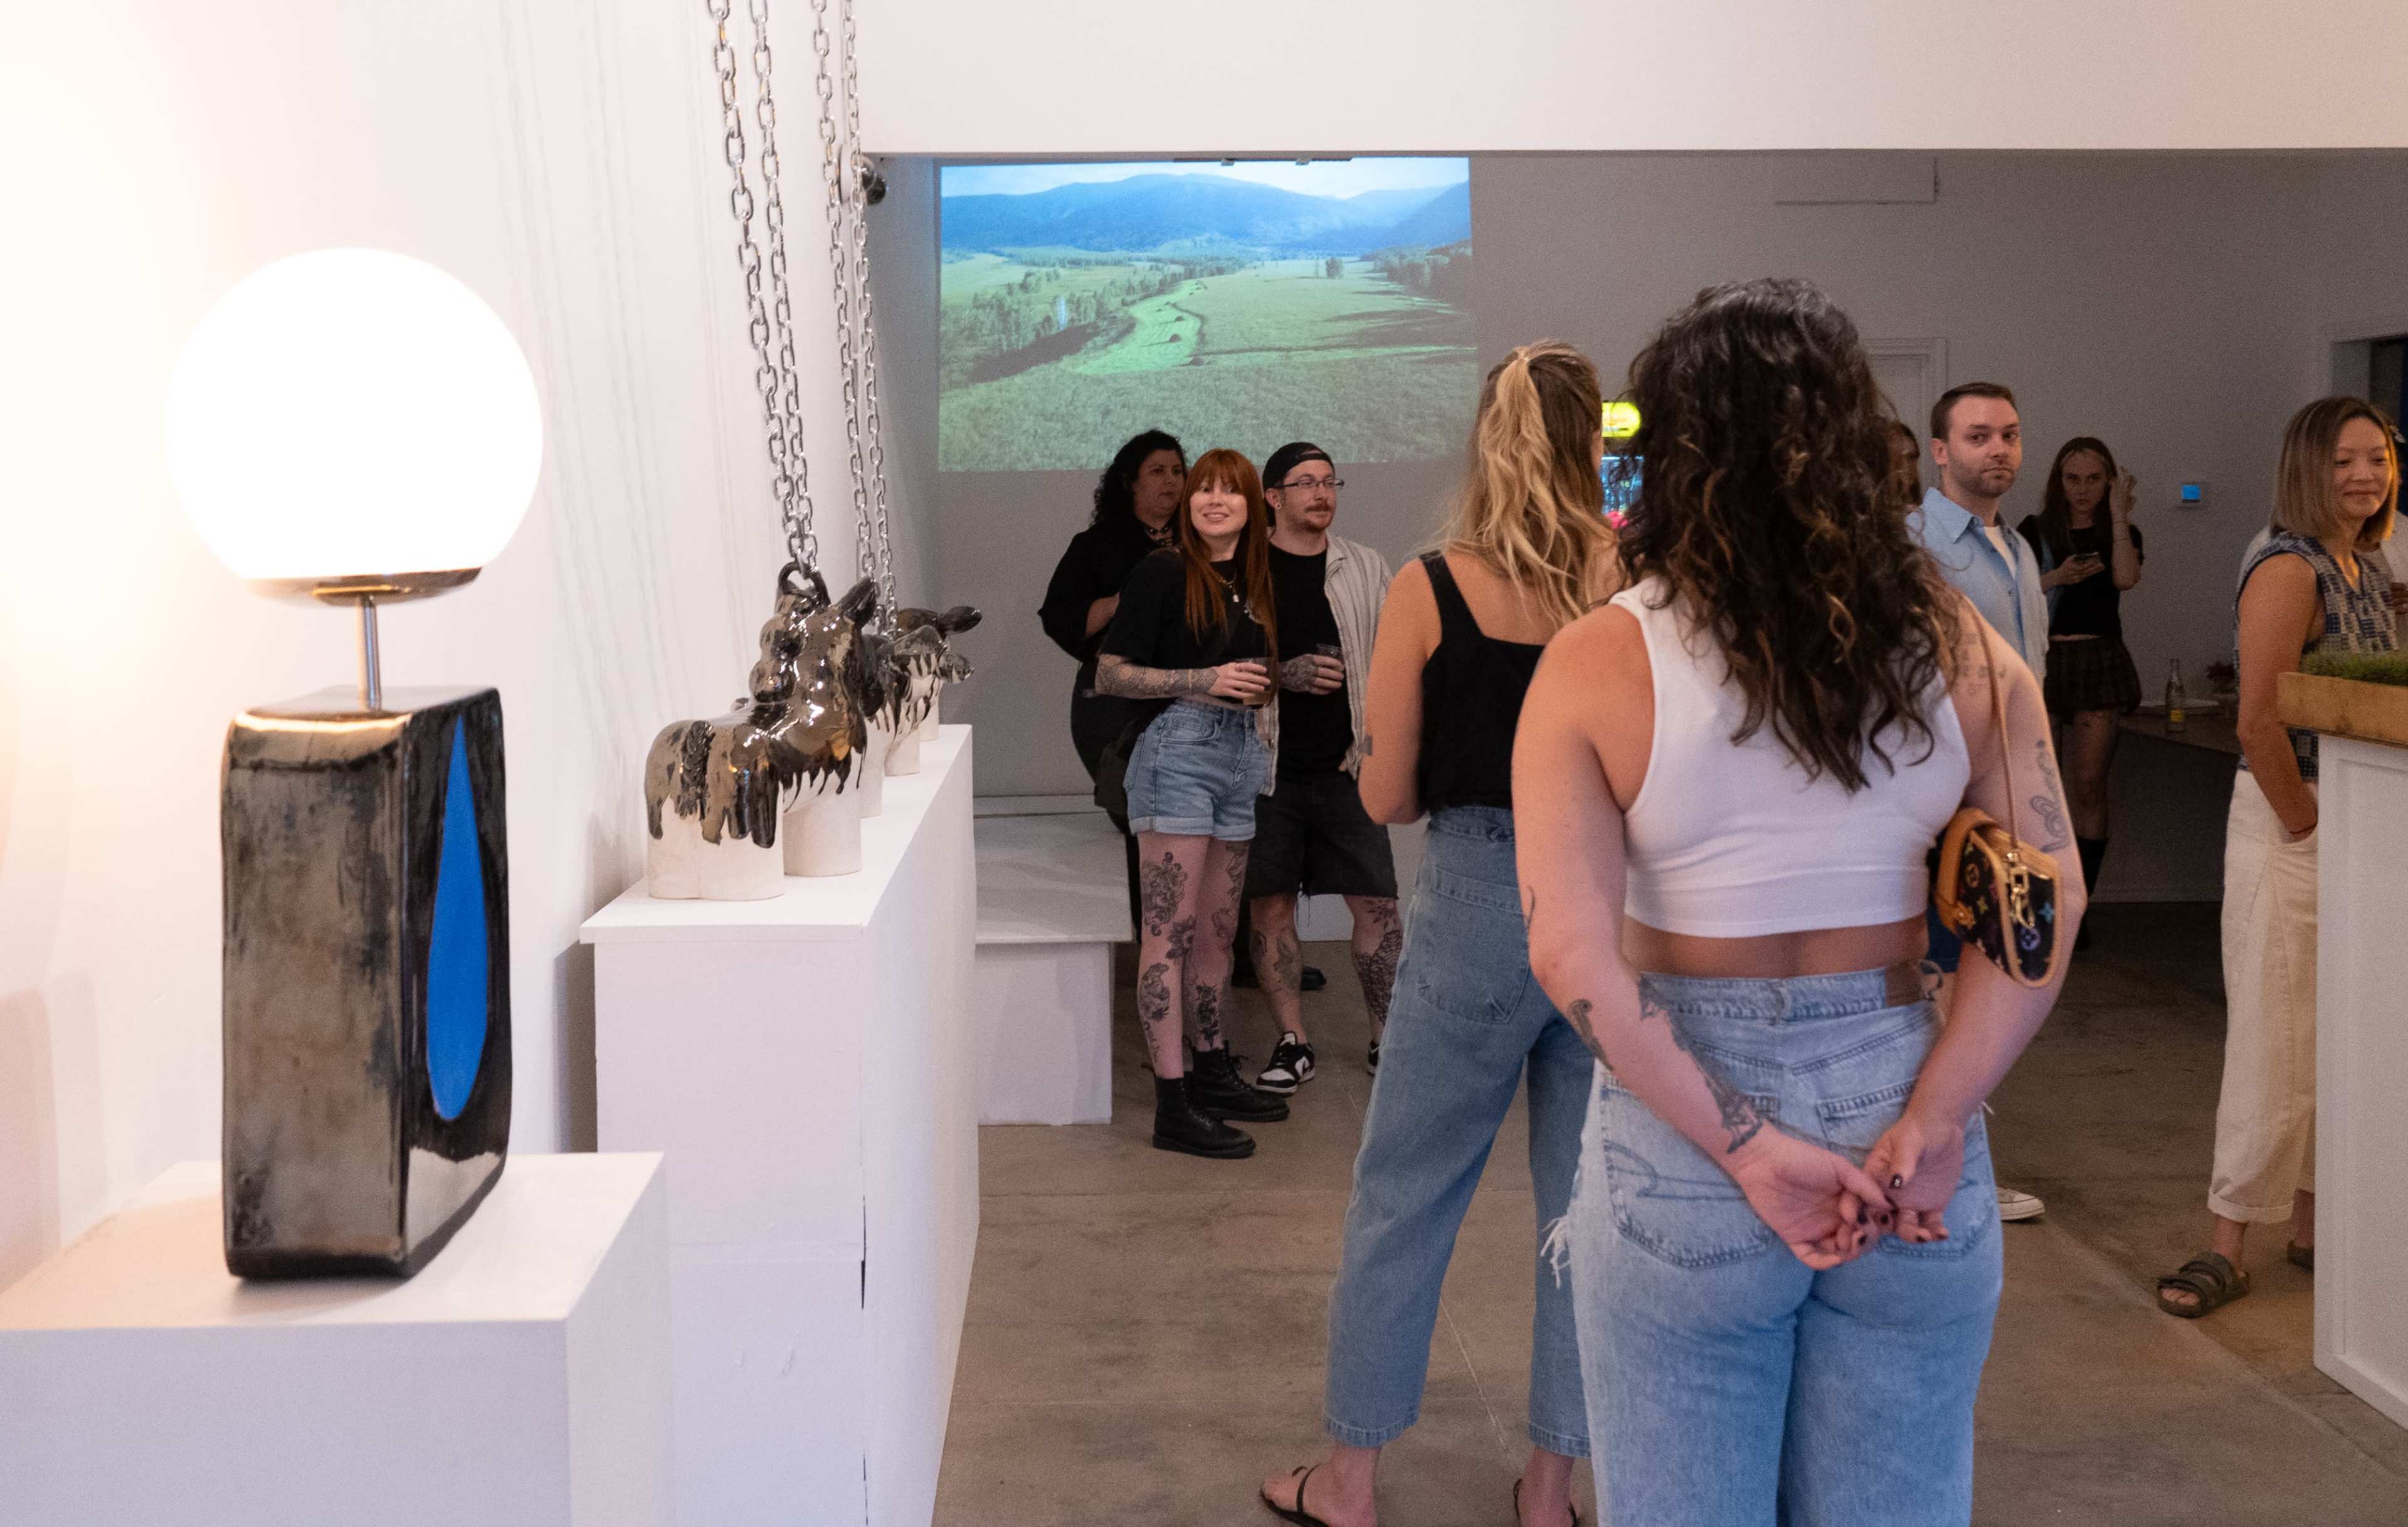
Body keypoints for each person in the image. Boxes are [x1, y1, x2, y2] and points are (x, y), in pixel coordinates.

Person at [1518, 278, 2079, 1527]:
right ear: (1850, 432)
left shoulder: (1600, 654)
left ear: (1666, 447)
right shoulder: (1965, 642)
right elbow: (2044, 912)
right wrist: (1938, 1118)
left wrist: (1750, 1147)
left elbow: (1570, 951)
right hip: (1905, 1105)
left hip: (1682, 1117)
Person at [1260, 342, 1619, 1527]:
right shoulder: (1625, 584)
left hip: (1477, 893)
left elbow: (1388, 797)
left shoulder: (1432, 584)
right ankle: (1552, 1488)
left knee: (1404, 1191)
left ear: (1486, 438)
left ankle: (1351, 1482)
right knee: (1582, 1206)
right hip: (1606, 908)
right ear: (1590, 442)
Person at [2157, 396, 2399, 1318]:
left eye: (2376, 458)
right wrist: (2309, 828)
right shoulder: (2290, 564)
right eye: (2343, 460)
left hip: (2357, 826)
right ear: (2306, 466)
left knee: (2339, 1034)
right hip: (2293, 820)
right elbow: (2258, 718)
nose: (2363, 476)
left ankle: (2310, 1223)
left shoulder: (2364, 562)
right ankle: (2227, 1241)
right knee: (2274, 1038)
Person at [1095, 448, 1292, 1156]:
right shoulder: (1162, 570)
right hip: (1176, 753)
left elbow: (1256, 674)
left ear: (1251, 505)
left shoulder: (1252, 581)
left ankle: (1211, 1068)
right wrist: (1201, 679)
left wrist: (1270, 680)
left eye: (1228, 490)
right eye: (1202, 488)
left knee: (1216, 934)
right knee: (1169, 936)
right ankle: (1172, 1102)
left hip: (1241, 752)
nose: (1213, 499)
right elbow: (1110, 672)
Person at [1908, 381, 2051, 1225]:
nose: (1996, 449)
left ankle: (1953, 1160)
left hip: (2009, 805)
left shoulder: (2018, 551)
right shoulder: (1913, 547)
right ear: (1939, 450)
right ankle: (1947, 1169)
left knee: (1992, 985)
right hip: (1943, 806)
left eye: (2009, 433)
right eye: (1976, 436)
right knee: (1943, 991)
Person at [1244, 441, 1400, 1092]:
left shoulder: (1365, 567)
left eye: (1329, 480)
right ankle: (1292, 1040)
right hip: (1267, 768)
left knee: (1379, 906)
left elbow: (1398, 661)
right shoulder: (1244, 573)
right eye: (1304, 482)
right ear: (1273, 497)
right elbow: (1221, 666)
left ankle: (1387, 1041)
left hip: (1348, 769)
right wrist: (1286, 674)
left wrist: (1379, 745)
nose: (1321, 492)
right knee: (1271, 909)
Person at [1040, 431, 1185, 932]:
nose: (1171, 481)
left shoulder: (1203, 539)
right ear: (1130, 483)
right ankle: (1154, 943)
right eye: (1157, 471)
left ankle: (1234, 957)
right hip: (1117, 706)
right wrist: (1130, 598)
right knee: (1144, 821)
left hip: (1193, 700)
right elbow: (1060, 616)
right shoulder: (1097, 546)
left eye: (1177, 471)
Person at [2018, 438, 2144, 946]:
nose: (2083, 490)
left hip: (2098, 660)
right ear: (2058, 480)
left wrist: (2117, 517)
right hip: (2044, 660)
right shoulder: (2035, 529)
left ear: (2109, 481)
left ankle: (2079, 912)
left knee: (2088, 789)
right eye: (2074, 479)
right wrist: (2058, 577)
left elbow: (2126, 578)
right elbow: (2012, 589)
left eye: (2094, 479)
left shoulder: (2123, 530)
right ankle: (2042, 912)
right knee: (2040, 796)